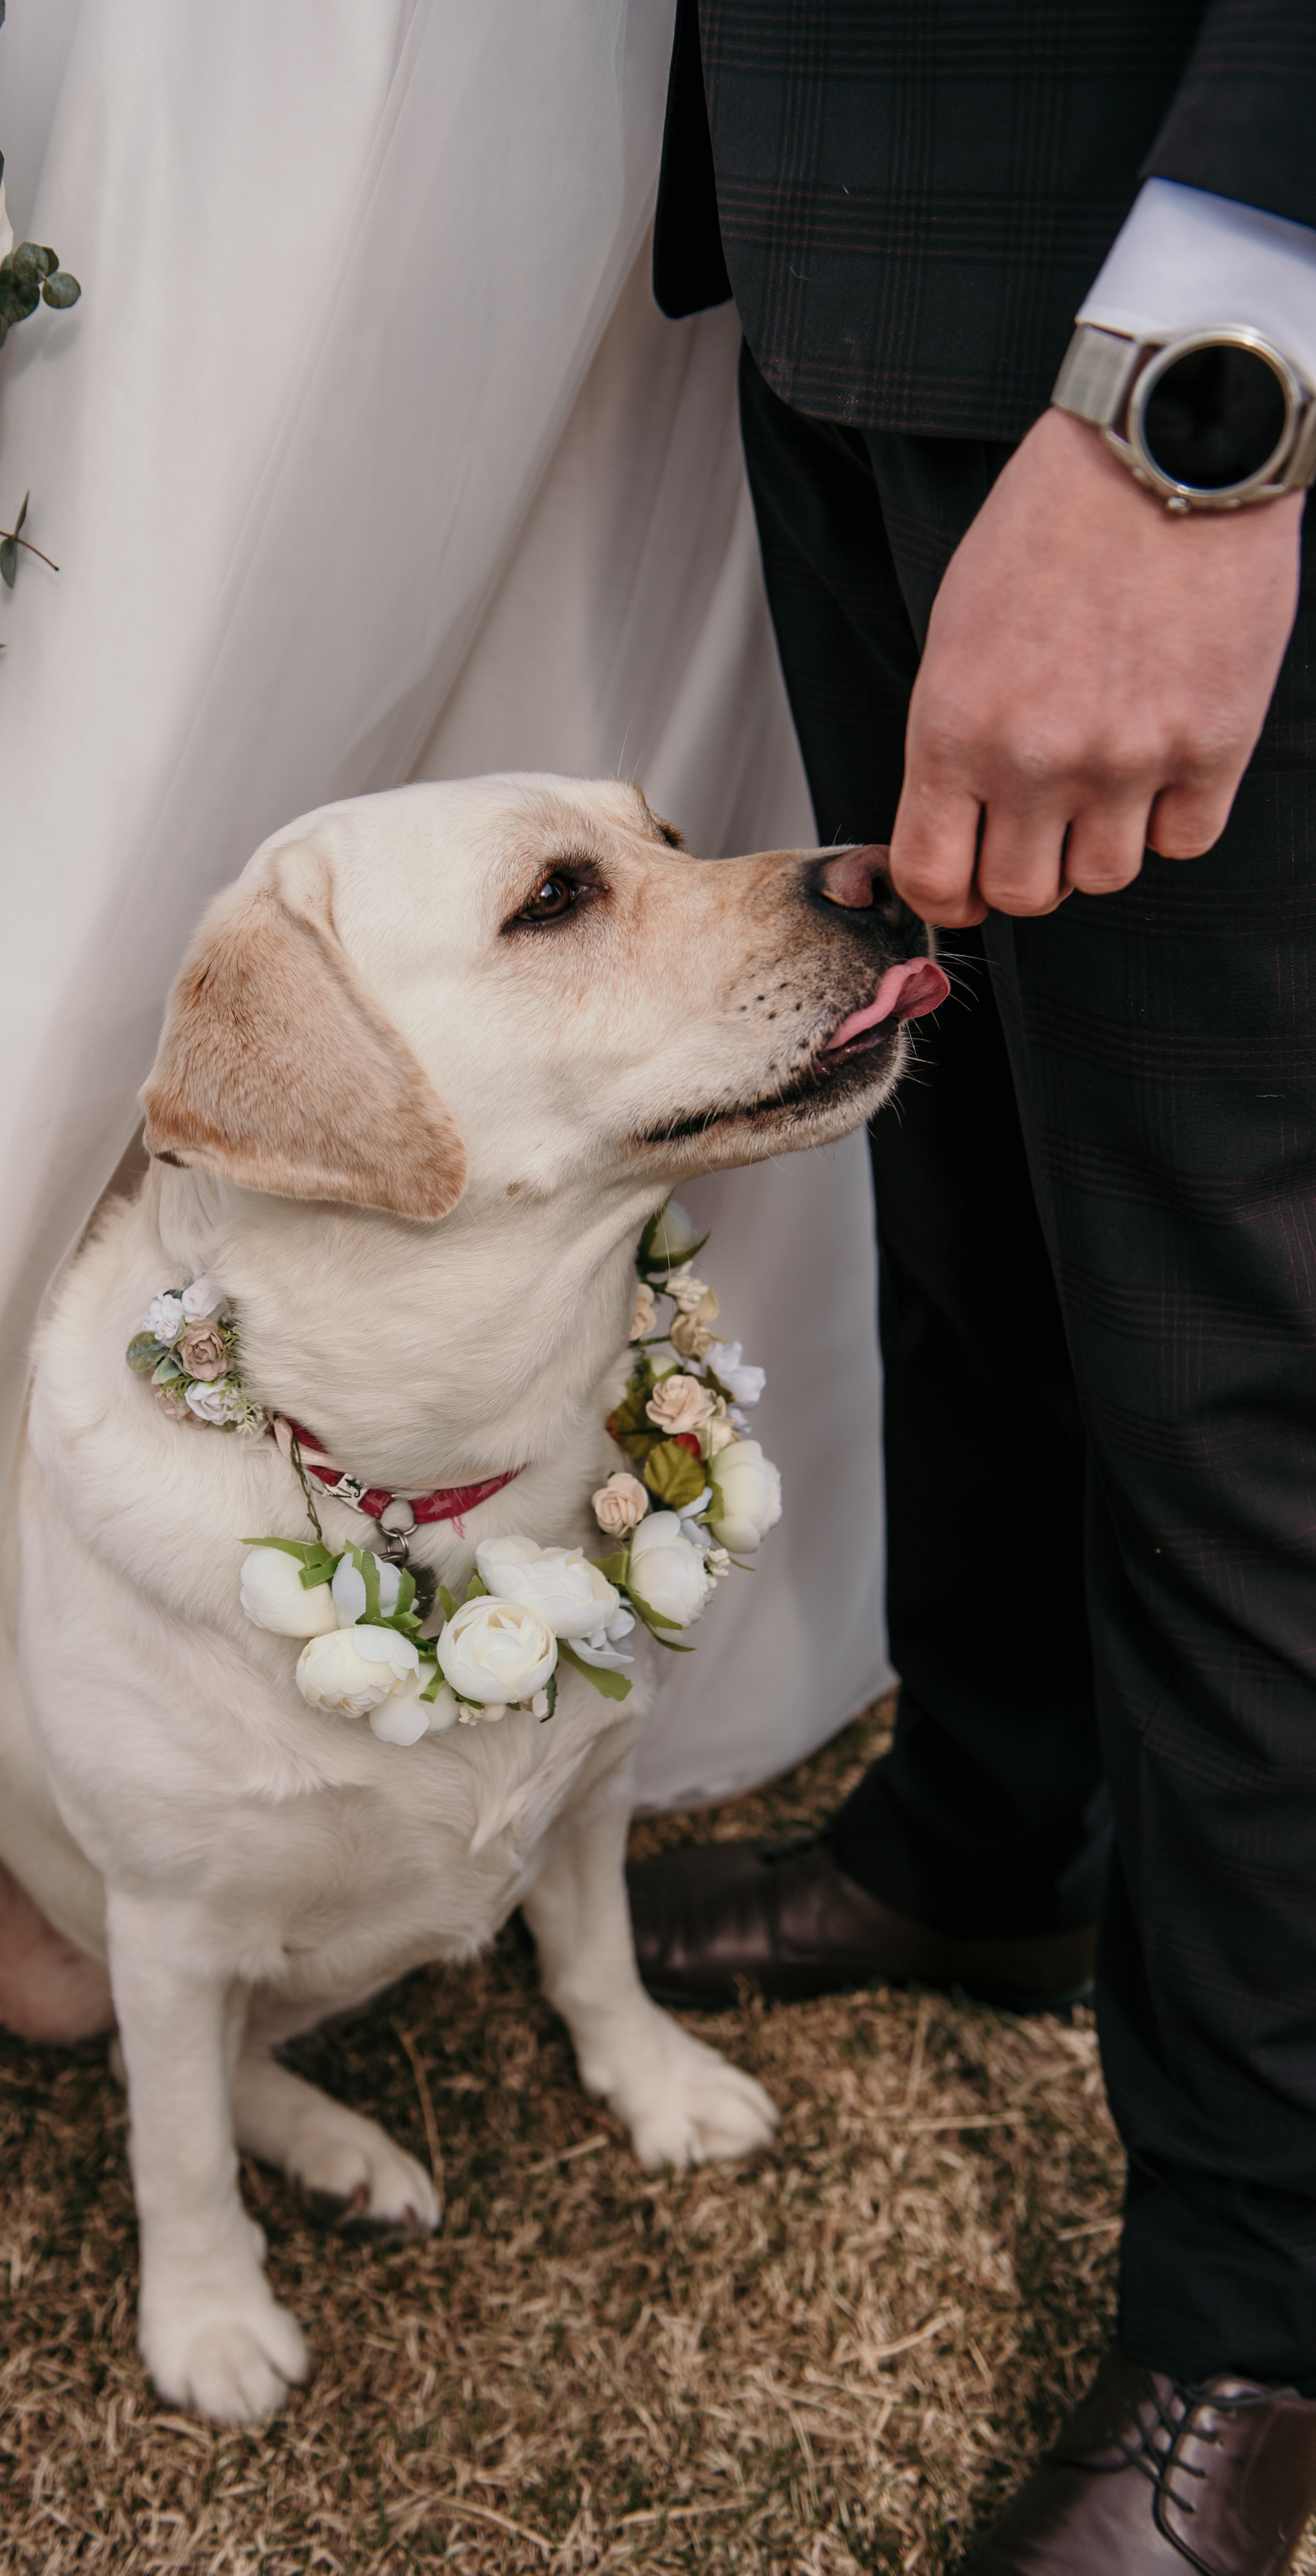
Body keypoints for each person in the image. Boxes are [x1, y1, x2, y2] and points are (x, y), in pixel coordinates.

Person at [630, 5, 1316, 2569]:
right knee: (976, 1171)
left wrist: (1211, 366)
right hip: (863, 240)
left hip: (1156, 310)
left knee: (1238, 1358)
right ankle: (1002, 1819)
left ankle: (1258, 2315)